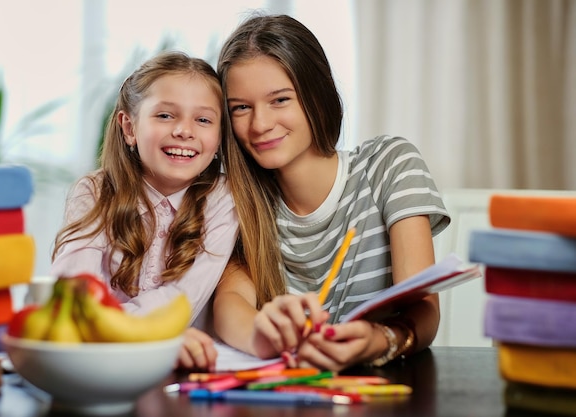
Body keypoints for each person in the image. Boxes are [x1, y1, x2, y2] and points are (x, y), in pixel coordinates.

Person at [212, 13, 450, 371]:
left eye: (280, 100)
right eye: (241, 108)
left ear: (316, 95)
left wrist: (378, 340)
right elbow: (231, 303)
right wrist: (261, 335)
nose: (260, 124)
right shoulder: (241, 201)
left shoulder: (389, 165)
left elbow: (424, 309)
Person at [51, 51, 238, 371]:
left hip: (178, 372)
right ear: (129, 127)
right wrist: (121, 334)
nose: (184, 130)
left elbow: (182, 300)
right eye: (165, 115)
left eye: (203, 120)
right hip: (98, 366)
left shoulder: (223, 198)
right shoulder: (95, 192)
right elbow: (72, 292)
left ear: (220, 137)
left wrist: (105, 329)